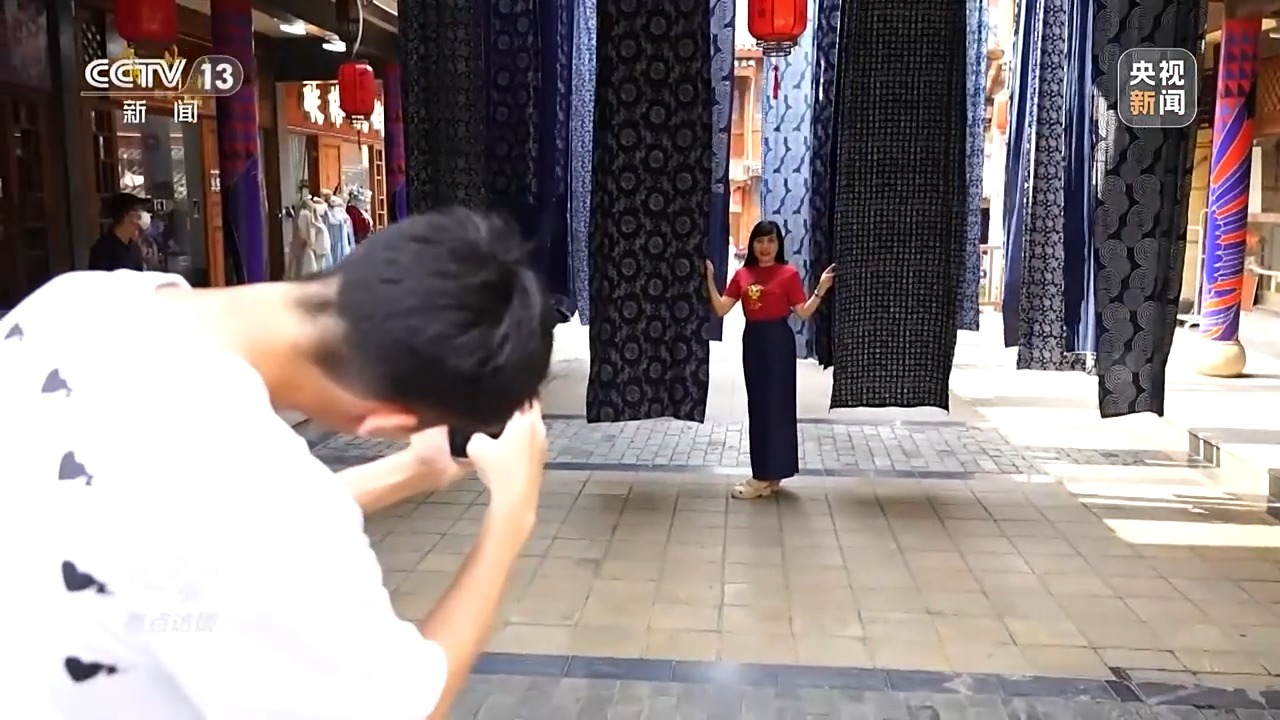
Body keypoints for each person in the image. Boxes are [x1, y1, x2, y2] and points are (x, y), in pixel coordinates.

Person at [0, 208, 554, 719]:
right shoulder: (270, 504)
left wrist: (409, 472)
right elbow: (406, 707)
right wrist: (510, 516)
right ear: (384, 419)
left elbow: (180, 532)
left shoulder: (77, 301)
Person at [705, 220, 835, 500]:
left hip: (779, 343)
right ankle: (765, 473)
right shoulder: (743, 274)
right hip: (754, 342)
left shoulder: (788, 274)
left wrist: (821, 289)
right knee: (760, 407)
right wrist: (710, 280)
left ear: (778, 245)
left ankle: (768, 476)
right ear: (752, 244)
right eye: (760, 241)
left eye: (771, 241)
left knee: (780, 407)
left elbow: (802, 312)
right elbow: (722, 308)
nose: (765, 247)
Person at [88, 192, 151, 271]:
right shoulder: (102, 250)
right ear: (125, 215)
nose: (142, 214)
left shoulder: (135, 249)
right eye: (137, 210)